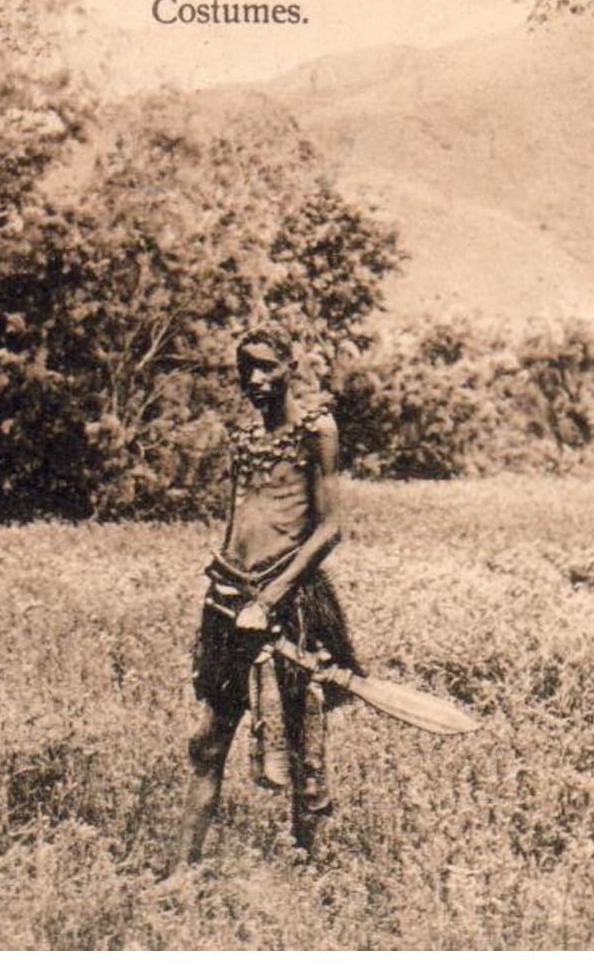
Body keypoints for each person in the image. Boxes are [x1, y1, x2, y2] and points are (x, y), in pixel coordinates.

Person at [171, 326, 363, 870]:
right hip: (231, 602)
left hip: (290, 608)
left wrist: (273, 596)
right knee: (208, 743)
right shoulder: (245, 437)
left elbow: (330, 529)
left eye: (267, 367)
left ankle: (306, 872)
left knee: (302, 749)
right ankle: (181, 872)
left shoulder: (316, 430)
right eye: (245, 367)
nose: (254, 379)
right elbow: (240, 517)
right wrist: (225, 583)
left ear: (290, 365)